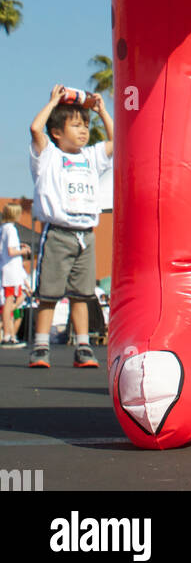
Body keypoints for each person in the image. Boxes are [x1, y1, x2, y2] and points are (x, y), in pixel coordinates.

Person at [28, 85, 113, 369]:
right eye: (75, 125)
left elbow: (117, 141)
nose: (83, 130)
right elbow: (35, 128)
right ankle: (41, 347)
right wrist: (53, 102)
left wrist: (101, 111)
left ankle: (83, 346)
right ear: (57, 132)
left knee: (82, 294)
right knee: (48, 295)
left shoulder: (90, 156)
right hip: (58, 233)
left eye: (85, 125)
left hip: (86, 235)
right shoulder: (48, 156)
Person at [1, 203, 29, 347]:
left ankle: (10, 334)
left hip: (8, 270)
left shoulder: (4, 229)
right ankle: (7, 335)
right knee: (9, 302)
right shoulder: (11, 229)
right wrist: (23, 252)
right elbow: (11, 252)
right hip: (11, 271)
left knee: (11, 301)